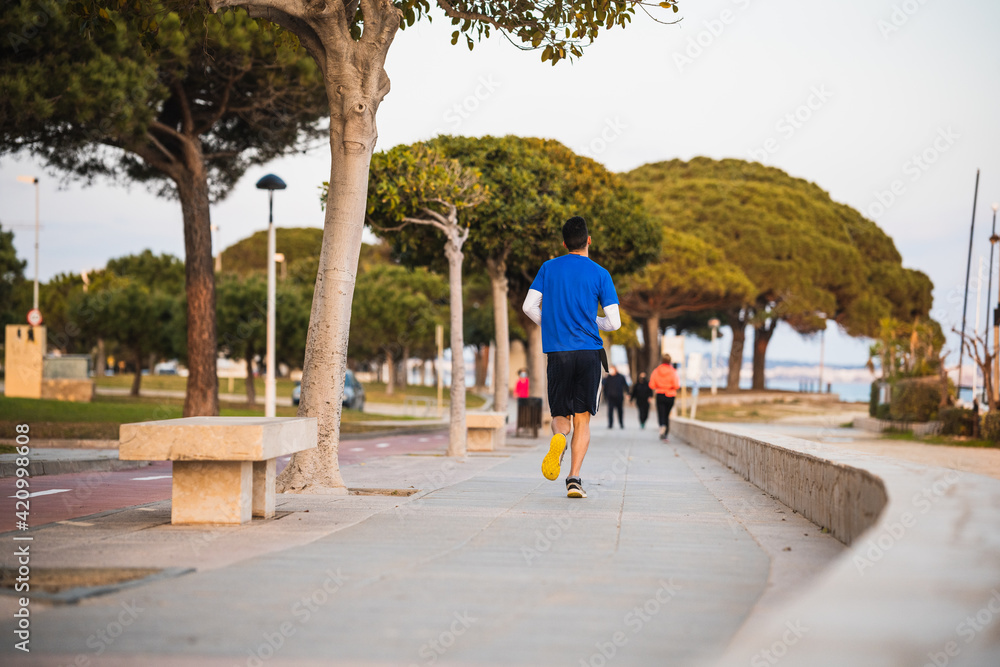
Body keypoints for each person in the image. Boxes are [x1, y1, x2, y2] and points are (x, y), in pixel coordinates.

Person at [522, 216, 621, 499]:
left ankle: (558, 438)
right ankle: (574, 479)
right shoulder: (601, 274)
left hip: (558, 352)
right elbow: (614, 323)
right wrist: (592, 322)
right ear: (589, 240)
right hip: (589, 353)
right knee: (583, 419)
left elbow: (529, 306)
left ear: (564, 243)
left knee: (560, 415)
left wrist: (553, 323)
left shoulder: (548, 268)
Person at [649, 354, 680, 441]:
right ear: (670, 361)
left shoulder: (656, 371)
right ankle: (666, 433)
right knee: (667, 414)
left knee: (661, 413)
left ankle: (662, 426)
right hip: (670, 395)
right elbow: (676, 385)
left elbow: (651, 385)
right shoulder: (673, 371)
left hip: (660, 394)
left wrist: (660, 385)